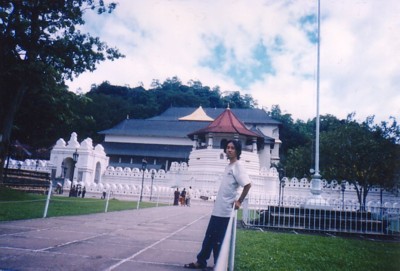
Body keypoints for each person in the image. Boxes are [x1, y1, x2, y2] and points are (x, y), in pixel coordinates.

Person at [184, 140, 251, 269]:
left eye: (232, 148)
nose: (229, 150)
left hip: (226, 211)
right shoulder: (228, 166)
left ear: (237, 151)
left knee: (218, 240)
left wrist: (239, 201)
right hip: (217, 210)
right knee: (209, 237)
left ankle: (218, 265)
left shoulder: (238, 166)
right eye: (228, 147)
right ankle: (201, 261)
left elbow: (248, 185)